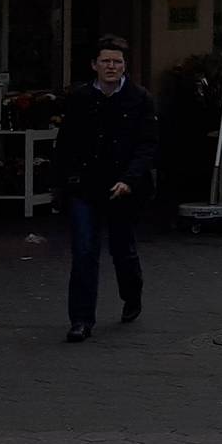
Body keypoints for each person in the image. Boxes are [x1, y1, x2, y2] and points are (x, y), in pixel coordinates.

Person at [55, 36, 156, 343]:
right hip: (86, 186)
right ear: (94, 65)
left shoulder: (139, 98)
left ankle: (132, 294)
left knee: (122, 250)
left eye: (117, 62)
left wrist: (130, 179)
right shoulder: (79, 98)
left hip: (123, 187)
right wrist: (65, 182)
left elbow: (148, 144)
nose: (111, 67)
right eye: (106, 61)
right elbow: (66, 143)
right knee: (84, 251)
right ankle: (81, 320)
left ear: (125, 67)